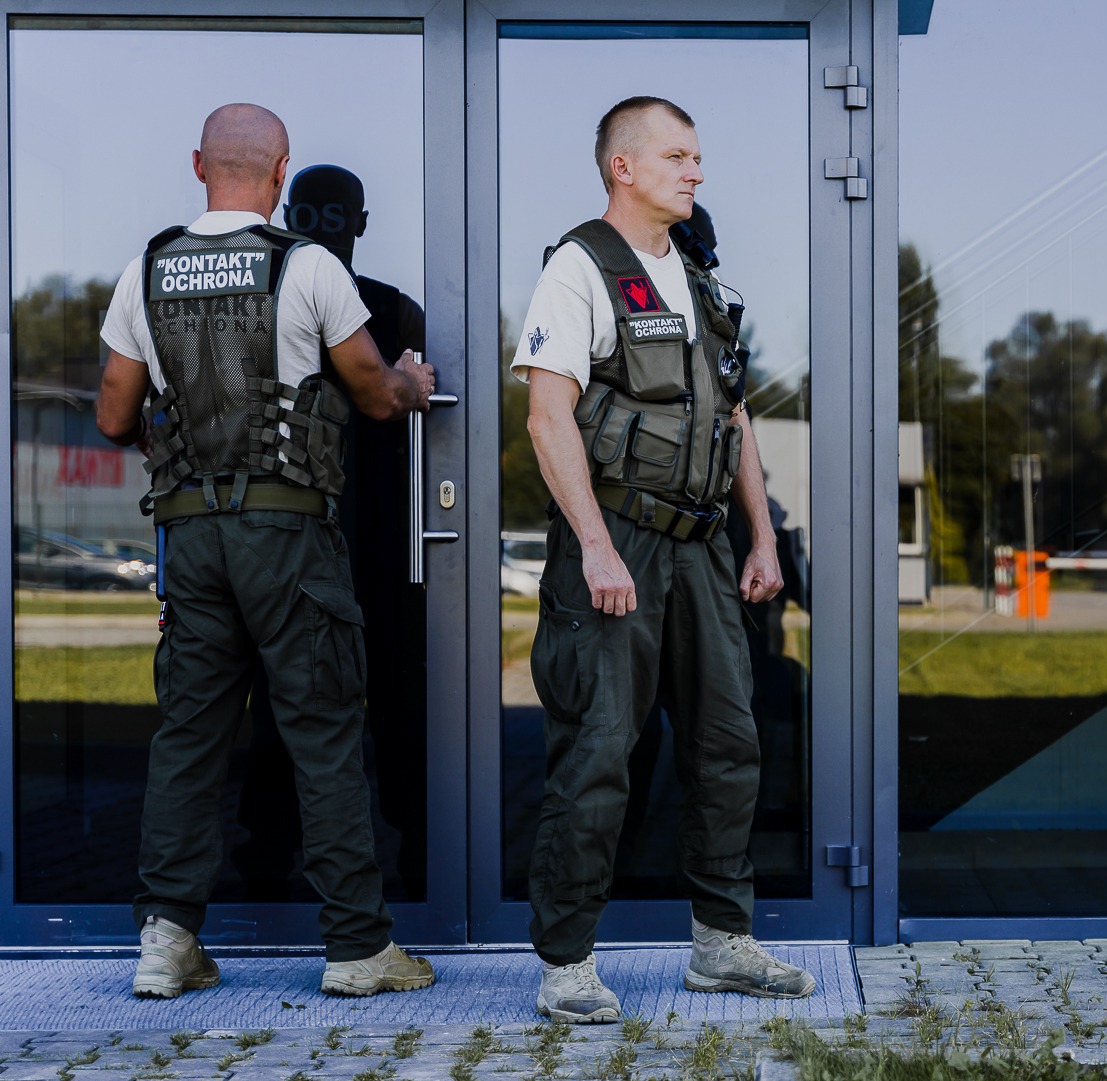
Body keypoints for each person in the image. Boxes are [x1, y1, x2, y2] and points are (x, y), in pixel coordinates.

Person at [94, 103, 439, 999]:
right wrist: (414, 384)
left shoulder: (148, 269)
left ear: (198, 163)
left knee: (189, 735)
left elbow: (111, 414)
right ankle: (359, 948)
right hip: (288, 534)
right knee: (323, 730)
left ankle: (166, 942)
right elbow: (370, 392)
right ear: (279, 171)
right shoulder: (306, 264)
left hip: (189, 533)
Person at [511, 94, 815, 1022]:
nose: (696, 171)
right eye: (679, 155)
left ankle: (722, 945)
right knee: (599, 749)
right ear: (624, 168)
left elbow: (731, 419)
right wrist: (598, 550)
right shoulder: (578, 269)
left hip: (701, 550)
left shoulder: (699, 278)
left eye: (696, 157)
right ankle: (566, 961)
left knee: (729, 744)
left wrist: (758, 537)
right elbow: (546, 415)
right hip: (616, 542)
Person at [234, 165, 430, 897]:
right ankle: (417, 858)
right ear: (363, 222)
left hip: (289, 536)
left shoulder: (259, 301)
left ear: (290, 215)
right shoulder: (393, 311)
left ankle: (263, 859)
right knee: (396, 702)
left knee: (285, 701)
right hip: (380, 538)